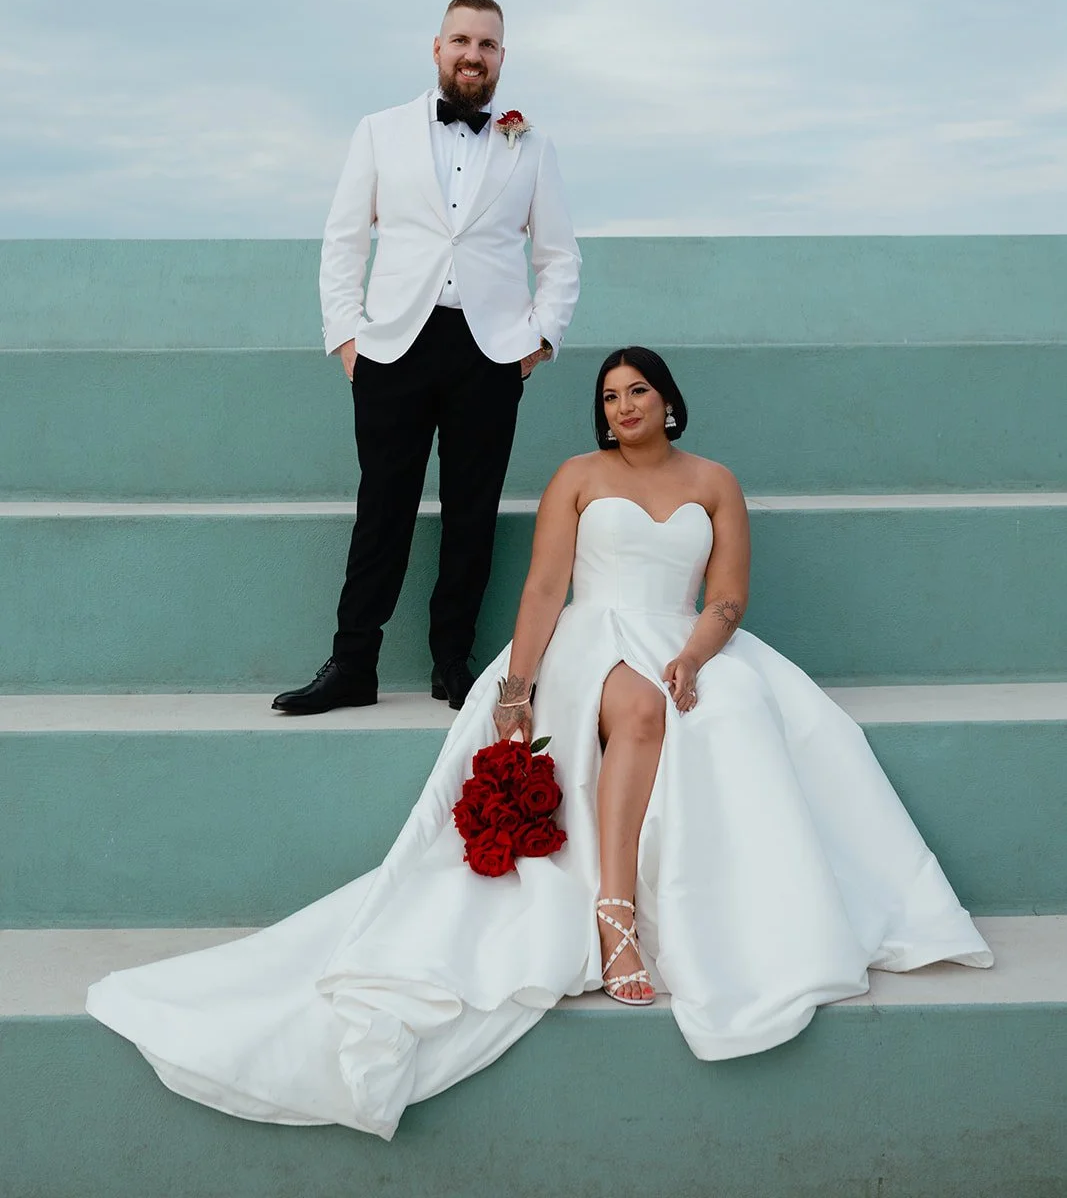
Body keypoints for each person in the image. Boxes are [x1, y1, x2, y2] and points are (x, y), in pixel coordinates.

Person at [87, 347, 992, 1140]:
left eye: (637, 391)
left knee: (743, 714)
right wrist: (516, 691)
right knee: (635, 711)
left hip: (682, 640)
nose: (621, 407)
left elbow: (726, 597)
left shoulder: (713, 482)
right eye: (607, 396)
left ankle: (740, 913)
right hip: (585, 642)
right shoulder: (576, 477)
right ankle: (615, 919)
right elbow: (543, 588)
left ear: (668, 402)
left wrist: (694, 655)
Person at [273, 0, 581, 715]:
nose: (473, 55)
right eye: (462, 41)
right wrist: (347, 336)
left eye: (488, 45)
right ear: (437, 48)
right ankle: (352, 665)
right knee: (382, 508)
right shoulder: (378, 132)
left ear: (502, 58)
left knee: (471, 512)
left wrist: (538, 340)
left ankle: (453, 664)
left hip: (490, 351)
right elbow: (344, 240)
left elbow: (560, 255)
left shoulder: (532, 146)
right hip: (394, 347)